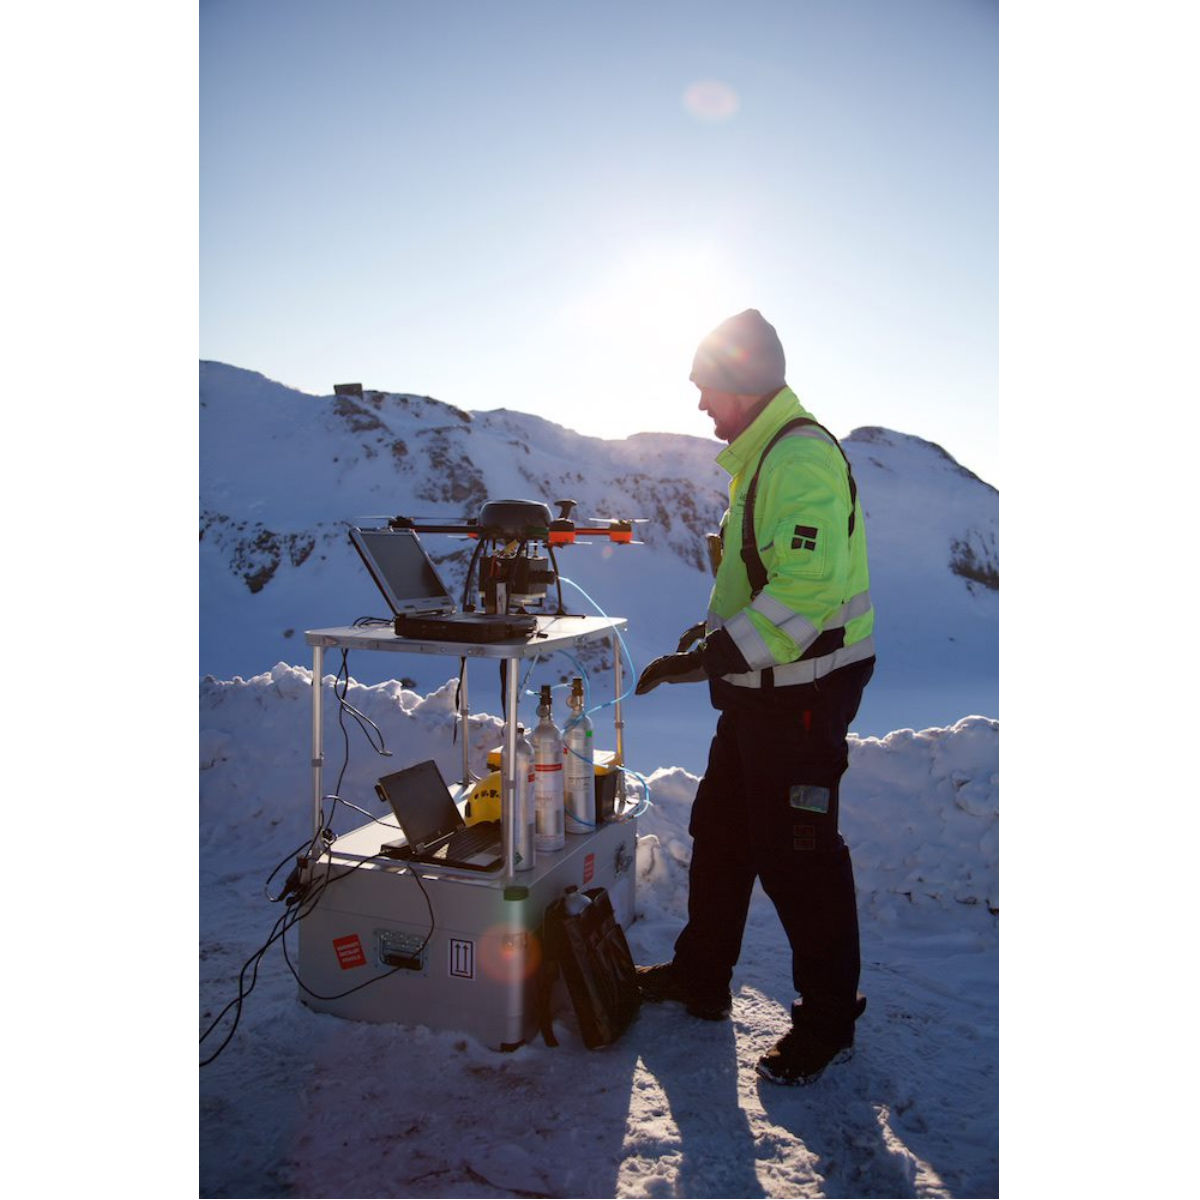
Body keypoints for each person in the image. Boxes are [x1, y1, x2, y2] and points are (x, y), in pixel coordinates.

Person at [634, 309, 875, 1086]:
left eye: (707, 386)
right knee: (725, 835)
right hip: (760, 690)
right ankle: (702, 977)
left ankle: (829, 1020)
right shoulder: (763, 457)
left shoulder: (798, 457)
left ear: (742, 383)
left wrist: (716, 656)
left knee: (800, 857)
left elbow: (807, 591)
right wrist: (707, 647)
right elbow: (759, 579)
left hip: (800, 697)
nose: (701, 403)